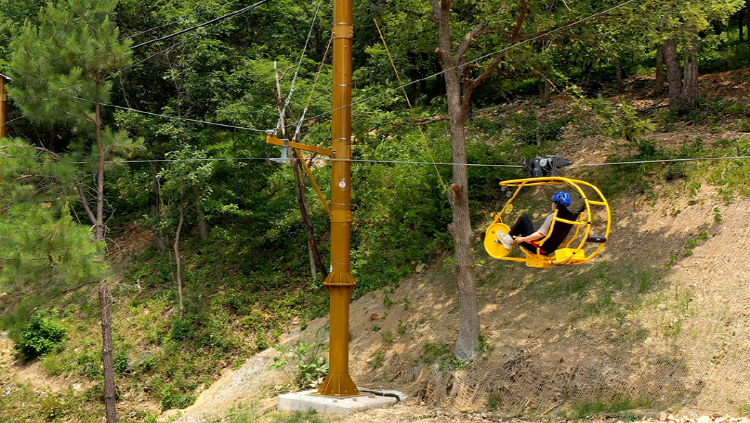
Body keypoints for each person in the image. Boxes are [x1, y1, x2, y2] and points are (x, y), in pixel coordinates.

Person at [497, 191, 575, 255]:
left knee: (524, 218)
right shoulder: (568, 219)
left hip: (538, 246)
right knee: (526, 227)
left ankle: (508, 239)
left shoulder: (553, 217)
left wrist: (523, 239)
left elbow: (540, 234)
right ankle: (509, 238)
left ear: (555, 204)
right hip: (548, 249)